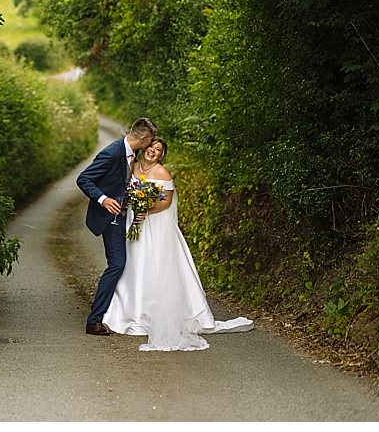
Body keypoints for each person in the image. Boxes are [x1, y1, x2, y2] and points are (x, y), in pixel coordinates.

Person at [103, 137, 253, 350]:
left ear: (162, 156)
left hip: (155, 225)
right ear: (144, 149)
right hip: (134, 223)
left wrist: (146, 210)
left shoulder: (163, 173)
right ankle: (130, 312)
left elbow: (166, 201)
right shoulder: (133, 166)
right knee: (134, 264)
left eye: (158, 150)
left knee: (156, 264)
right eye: (151, 148)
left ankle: (158, 313)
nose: (153, 152)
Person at [76, 118, 157, 336]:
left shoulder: (133, 155)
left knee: (131, 264)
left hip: (126, 218)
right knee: (117, 265)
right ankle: (94, 321)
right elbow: (84, 179)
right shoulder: (112, 153)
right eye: (149, 141)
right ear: (143, 138)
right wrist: (103, 199)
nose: (150, 145)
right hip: (110, 219)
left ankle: (124, 314)